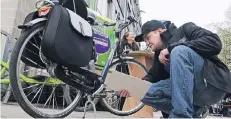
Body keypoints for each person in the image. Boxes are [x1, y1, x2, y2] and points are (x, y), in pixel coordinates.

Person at [118, 20, 231, 118]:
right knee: (141, 90)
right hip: (193, 96)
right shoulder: (159, 55)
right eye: (145, 41)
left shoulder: (185, 29)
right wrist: (131, 88)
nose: (147, 43)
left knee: (179, 52)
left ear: (160, 31)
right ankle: (194, 112)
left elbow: (215, 43)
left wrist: (171, 49)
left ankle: (181, 116)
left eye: (148, 38)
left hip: (213, 84)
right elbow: (153, 77)